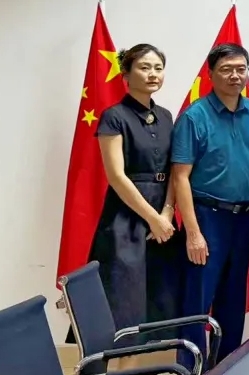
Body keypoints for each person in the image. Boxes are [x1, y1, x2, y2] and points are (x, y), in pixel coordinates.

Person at [172, 43, 249, 369]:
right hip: (207, 218)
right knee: (198, 301)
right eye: (226, 69)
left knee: (233, 300)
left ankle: (227, 365)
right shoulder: (194, 117)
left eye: (241, 69)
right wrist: (193, 232)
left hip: (245, 218)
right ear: (211, 74)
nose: (235, 76)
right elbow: (180, 177)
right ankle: (189, 368)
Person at [85, 44, 182, 347]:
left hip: (164, 218)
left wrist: (167, 213)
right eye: (144, 67)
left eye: (158, 68)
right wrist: (153, 218)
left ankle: (159, 365)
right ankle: (117, 364)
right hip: (126, 217)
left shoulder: (166, 116)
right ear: (126, 74)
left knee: (163, 299)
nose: (153, 74)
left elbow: (175, 169)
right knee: (124, 300)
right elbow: (116, 176)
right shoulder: (114, 117)